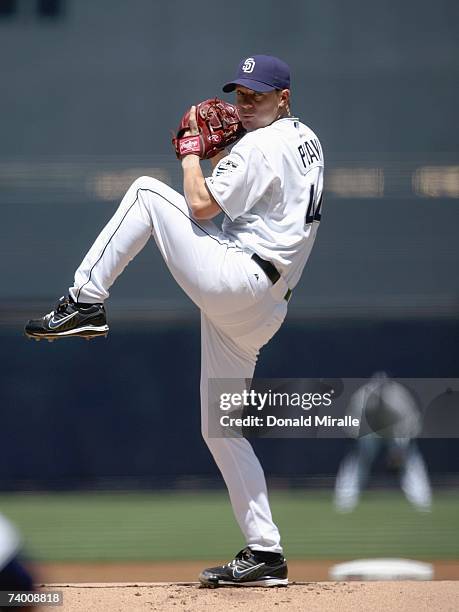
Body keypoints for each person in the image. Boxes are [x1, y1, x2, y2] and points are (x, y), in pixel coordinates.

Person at [25, 55, 324, 587]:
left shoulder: (260, 143)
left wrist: (191, 155)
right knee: (221, 427)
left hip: (240, 278)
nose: (244, 101)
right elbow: (263, 195)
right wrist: (231, 151)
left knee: (145, 191)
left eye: (257, 93)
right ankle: (266, 554)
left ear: (284, 97)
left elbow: (202, 204)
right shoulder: (306, 139)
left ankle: (85, 299)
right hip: (264, 307)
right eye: (240, 92)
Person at [334, 372, 432, 513]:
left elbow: (411, 424)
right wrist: (358, 440)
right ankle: (345, 500)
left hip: (396, 431)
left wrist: (400, 450)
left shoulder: (398, 398)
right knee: (357, 460)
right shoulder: (362, 397)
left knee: (411, 460)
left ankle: (421, 500)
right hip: (369, 432)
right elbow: (351, 423)